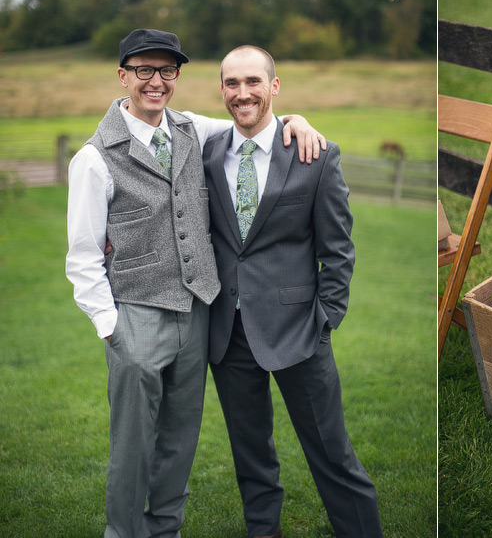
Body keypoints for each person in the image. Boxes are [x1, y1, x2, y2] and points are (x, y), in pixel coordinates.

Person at [65, 29, 324, 538]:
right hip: (135, 315)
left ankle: (166, 530)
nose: (156, 82)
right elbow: (82, 255)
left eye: (166, 71)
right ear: (124, 77)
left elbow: (253, 124)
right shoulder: (94, 158)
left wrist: (296, 118)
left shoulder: (193, 130)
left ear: (177, 77)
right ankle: (122, 533)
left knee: (179, 442)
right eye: (144, 70)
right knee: (134, 445)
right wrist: (110, 327)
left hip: (199, 313)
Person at [203, 45, 382, 538]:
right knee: (251, 456)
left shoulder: (314, 155)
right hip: (228, 333)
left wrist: (326, 317)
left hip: (300, 329)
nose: (243, 94)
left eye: (253, 82)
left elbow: (339, 249)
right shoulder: (209, 152)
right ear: (221, 89)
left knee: (332, 454)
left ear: (274, 86)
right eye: (232, 83)